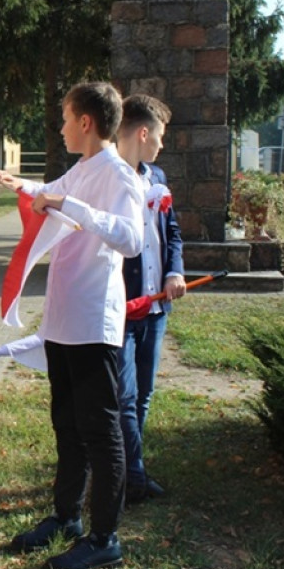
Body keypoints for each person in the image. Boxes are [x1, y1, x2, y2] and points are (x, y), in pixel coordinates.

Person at [0, 81, 144, 569]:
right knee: (67, 425)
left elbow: (132, 238)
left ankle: (105, 538)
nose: (58, 126)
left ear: (85, 122)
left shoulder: (119, 175)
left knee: (100, 431)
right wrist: (19, 184)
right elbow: (48, 195)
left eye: (64, 117)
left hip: (93, 321)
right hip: (61, 319)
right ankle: (66, 518)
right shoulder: (79, 170)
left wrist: (69, 208)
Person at [115, 94, 185, 503]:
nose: (161, 144)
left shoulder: (156, 177)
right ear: (143, 132)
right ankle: (132, 478)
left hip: (157, 308)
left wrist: (175, 271)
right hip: (123, 310)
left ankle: (129, 472)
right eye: (159, 136)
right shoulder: (109, 178)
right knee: (123, 398)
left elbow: (171, 232)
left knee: (142, 395)